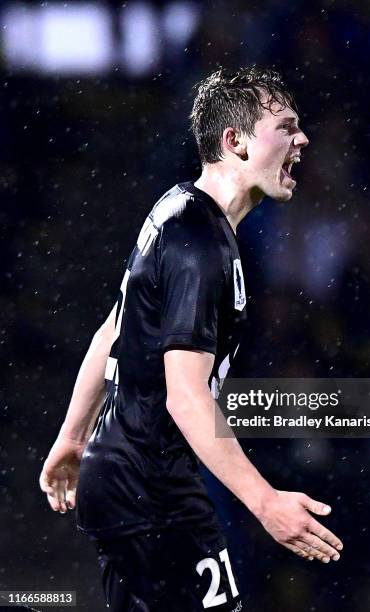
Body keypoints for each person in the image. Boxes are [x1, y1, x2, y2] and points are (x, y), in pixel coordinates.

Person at [39, 66, 343, 611]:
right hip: (150, 489)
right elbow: (186, 395)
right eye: (286, 126)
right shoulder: (200, 245)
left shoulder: (174, 209)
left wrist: (73, 438)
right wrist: (265, 501)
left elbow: (112, 330)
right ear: (236, 142)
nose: (302, 139)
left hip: (123, 475)